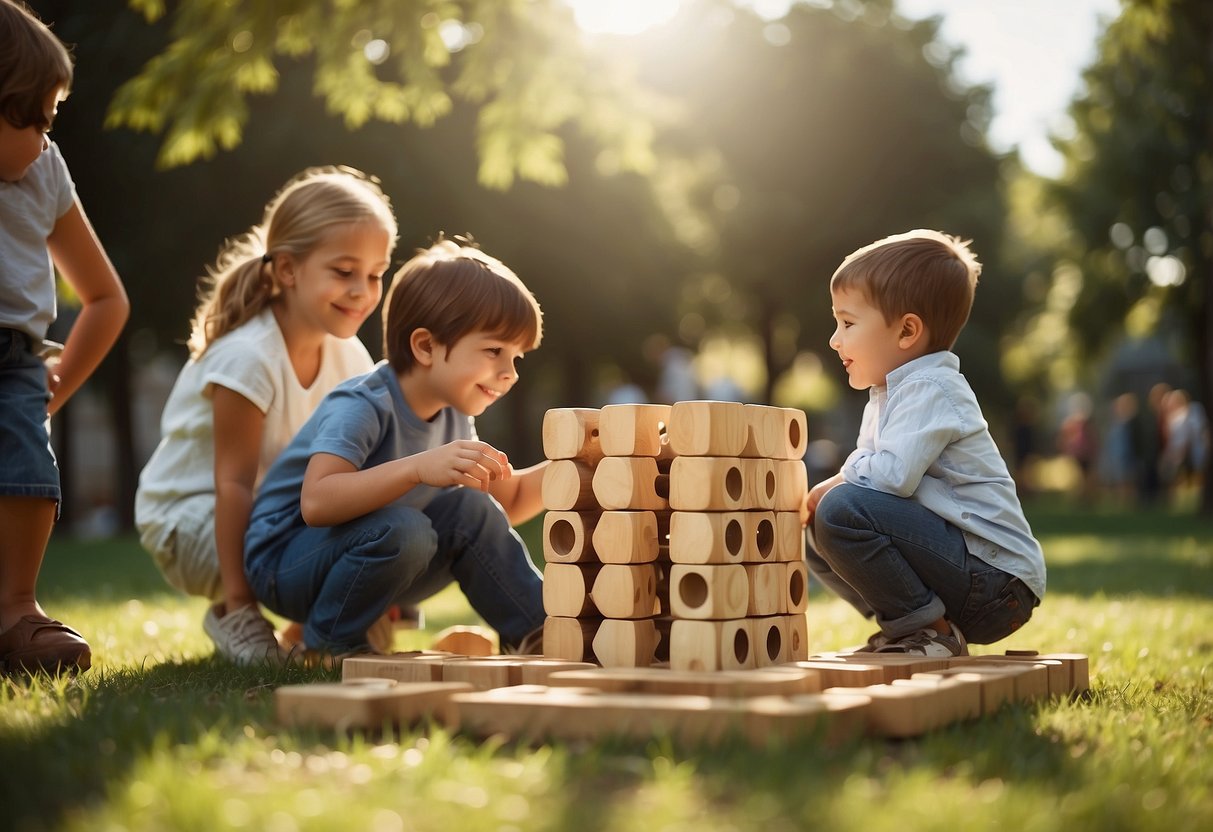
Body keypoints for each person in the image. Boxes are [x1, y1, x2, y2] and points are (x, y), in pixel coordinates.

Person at [135, 167, 396, 664]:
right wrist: (244, 606)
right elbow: (233, 484)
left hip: (269, 512)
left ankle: (306, 629)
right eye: (343, 272)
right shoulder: (249, 359)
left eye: (376, 274)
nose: (363, 291)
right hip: (190, 519)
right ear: (286, 271)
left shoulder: (351, 358)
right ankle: (233, 614)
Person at [243, 238, 547, 659]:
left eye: (517, 357)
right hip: (284, 562)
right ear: (425, 347)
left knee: (470, 510)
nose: (509, 373)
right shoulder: (363, 404)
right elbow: (316, 501)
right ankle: (330, 642)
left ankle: (539, 631)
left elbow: (503, 504)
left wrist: (576, 467)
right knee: (405, 530)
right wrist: (419, 468)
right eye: (495, 350)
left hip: (379, 550)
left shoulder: (453, 413)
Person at [802, 230, 1045, 658]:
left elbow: (891, 476)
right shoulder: (888, 394)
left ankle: (933, 633)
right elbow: (876, 477)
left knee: (839, 511)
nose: (834, 339)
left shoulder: (930, 387)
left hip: (995, 583)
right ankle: (908, 628)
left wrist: (835, 484)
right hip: (966, 574)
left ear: (907, 331)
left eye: (848, 323)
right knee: (818, 530)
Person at [0, 0, 129, 674]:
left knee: (27, 476)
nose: (48, 137)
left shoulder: (44, 170)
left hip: (15, 362)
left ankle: (17, 610)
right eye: (39, 117)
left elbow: (106, 298)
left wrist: (53, 389)